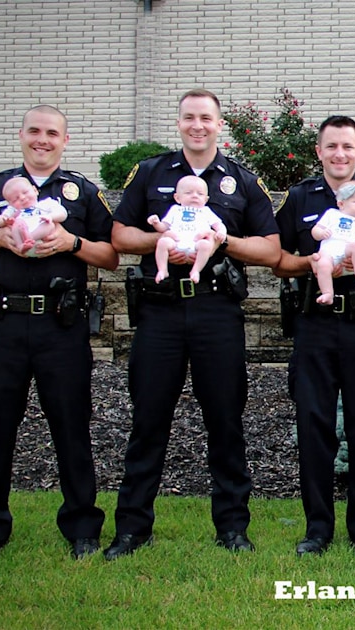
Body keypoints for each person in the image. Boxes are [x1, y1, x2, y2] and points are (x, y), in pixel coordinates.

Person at [105, 88, 280, 560]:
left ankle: (232, 527)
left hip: (215, 309)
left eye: (206, 118)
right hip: (160, 310)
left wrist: (222, 242)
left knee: (225, 419)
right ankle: (132, 529)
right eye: (189, 117)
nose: (197, 125)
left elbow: (271, 249)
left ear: (220, 125)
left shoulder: (241, 180)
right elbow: (120, 234)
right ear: (179, 122)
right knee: (148, 420)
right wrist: (158, 240)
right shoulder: (151, 173)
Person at [0, 105, 118, 561]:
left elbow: (111, 256)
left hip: (60, 327)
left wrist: (72, 243)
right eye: (35, 132)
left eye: (52, 134)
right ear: (21, 135)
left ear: (65, 141)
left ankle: (83, 528)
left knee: (71, 427)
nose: (43, 140)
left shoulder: (80, 192)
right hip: (0, 325)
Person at [274, 115, 355, 558]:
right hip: (315, 321)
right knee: (313, 425)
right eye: (331, 146)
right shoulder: (299, 197)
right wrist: (311, 261)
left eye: (347, 146)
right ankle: (317, 528)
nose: (339, 154)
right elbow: (279, 258)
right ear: (319, 151)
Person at [147, 175, 227, 284]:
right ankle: (162, 270)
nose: (194, 196)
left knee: (205, 245)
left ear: (206, 199)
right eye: (188, 193)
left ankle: (195, 270)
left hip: (195, 244)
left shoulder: (206, 211)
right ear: (177, 198)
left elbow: (219, 225)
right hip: (176, 243)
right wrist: (156, 222)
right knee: (162, 242)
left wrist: (222, 232)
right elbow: (163, 228)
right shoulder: (175, 210)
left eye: (200, 194)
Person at [311, 182, 355, 304]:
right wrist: (321, 233)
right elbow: (315, 230)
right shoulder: (332, 214)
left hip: (348, 249)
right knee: (322, 264)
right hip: (330, 249)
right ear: (341, 204)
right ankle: (327, 293)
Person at [0, 176, 69, 255]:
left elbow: (63, 214)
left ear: (35, 190)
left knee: (49, 225)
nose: (22, 198)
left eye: (25, 192)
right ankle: (21, 245)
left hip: (41, 236)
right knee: (16, 224)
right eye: (15, 199)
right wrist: (5, 220)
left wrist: (51, 217)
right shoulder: (13, 210)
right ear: (11, 204)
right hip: (23, 241)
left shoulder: (46, 204)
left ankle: (29, 238)